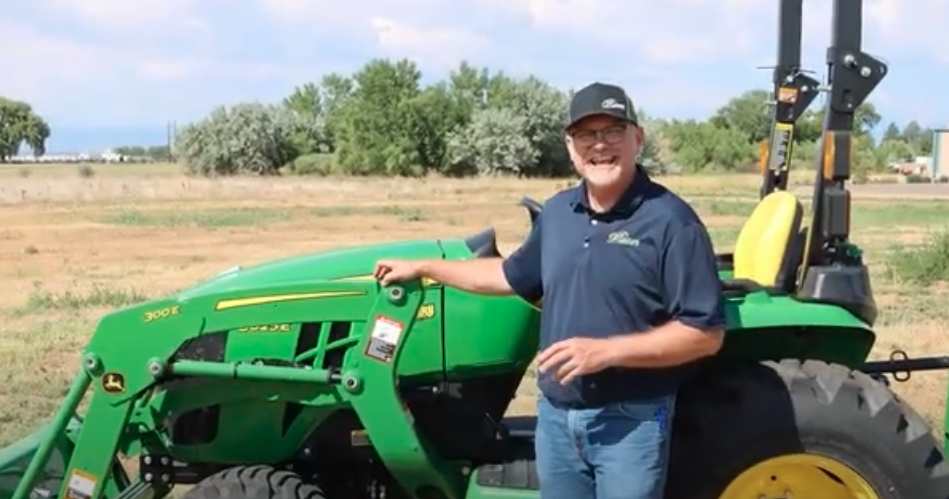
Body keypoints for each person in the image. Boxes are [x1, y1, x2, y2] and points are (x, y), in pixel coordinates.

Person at [373, 82, 726, 499]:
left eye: (612, 131)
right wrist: (427, 267)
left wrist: (606, 352)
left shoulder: (672, 222)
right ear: (570, 146)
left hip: (630, 422)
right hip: (557, 419)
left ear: (637, 137)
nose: (600, 146)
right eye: (586, 135)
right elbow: (509, 275)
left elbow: (704, 333)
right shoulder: (559, 212)